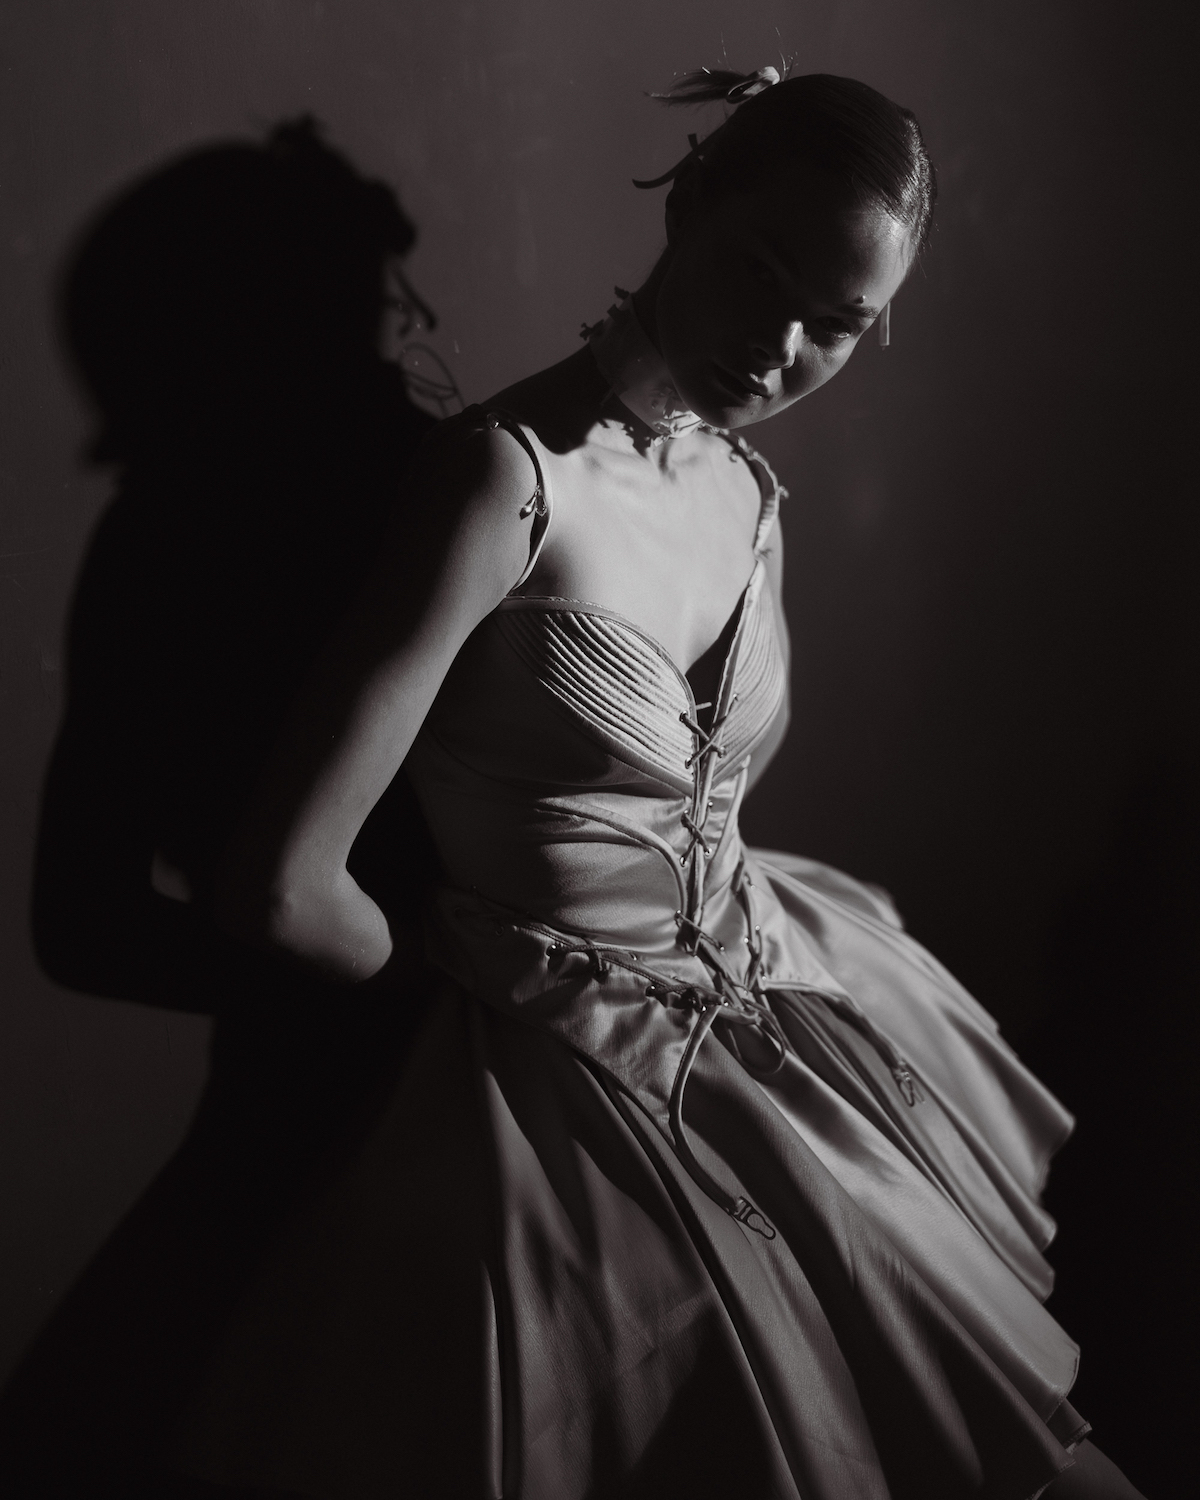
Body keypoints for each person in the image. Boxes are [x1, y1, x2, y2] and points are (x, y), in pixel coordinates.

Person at [178, 72, 1144, 1499]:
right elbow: (281, 888)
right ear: (691, 199)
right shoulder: (504, 483)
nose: (782, 345)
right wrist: (463, 975)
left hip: (781, 1021)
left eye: (840, 323)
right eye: (761, 271)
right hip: (559, 1084)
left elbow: (710, 804)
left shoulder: (745, 494)